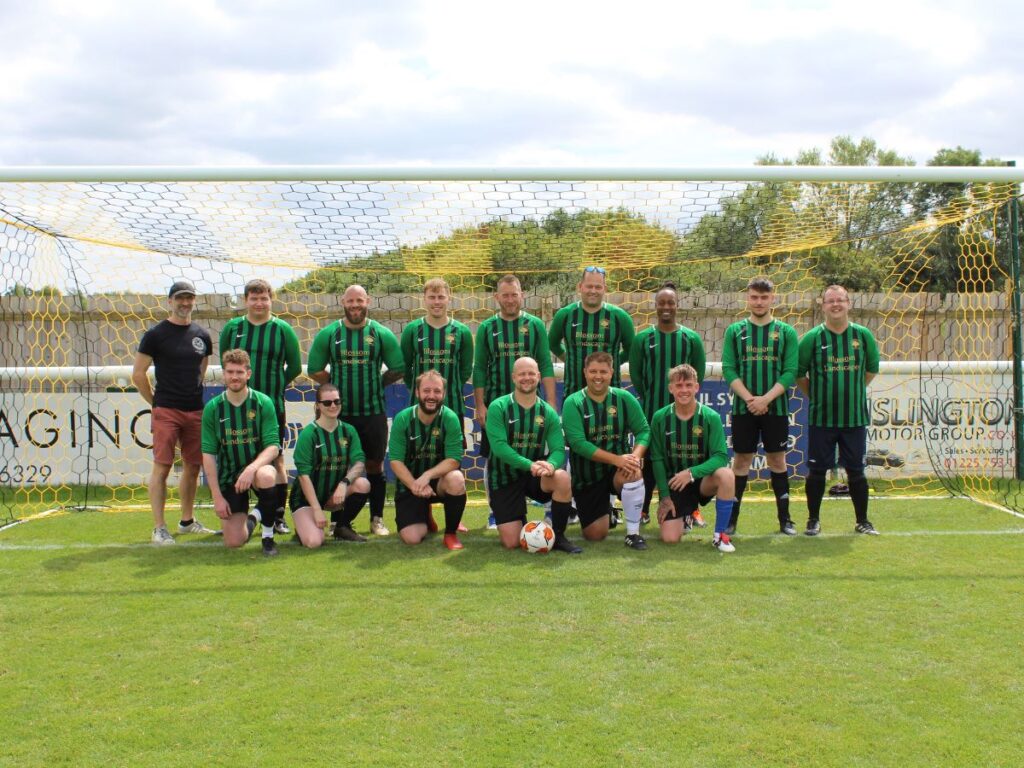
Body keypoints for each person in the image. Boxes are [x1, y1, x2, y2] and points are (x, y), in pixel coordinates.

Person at [307, 284, 405, 537]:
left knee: (374, 466)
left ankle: (377, 519)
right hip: (340, 415)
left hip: (372, 413)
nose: (355, 305)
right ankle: (337, 522)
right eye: (350, 301)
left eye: (359, 300)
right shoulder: (329, 334)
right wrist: (336, 388)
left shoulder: (380, 333)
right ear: (342, 302)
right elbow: (315, 369)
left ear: (368, 301)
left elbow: (398, 367)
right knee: (339, 466)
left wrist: (376, 382)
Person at [132, 278, 216, 545]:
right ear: (170, 301)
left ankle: (187, 521)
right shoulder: (156, 335)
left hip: (195, 410)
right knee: (163, 467)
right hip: (166, 409)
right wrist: (155, 403)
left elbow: (201, 371)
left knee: (193, 466)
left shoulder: (202, 336)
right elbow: (138, 374)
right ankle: (159, 528)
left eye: (189, 297)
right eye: (180, 298)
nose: (185, 302)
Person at [219, 278, 301, 535]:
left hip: (272, 407)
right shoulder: (233, 329)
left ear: (271, 300)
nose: (259, 302)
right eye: (254, 298)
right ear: (246, 301)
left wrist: (273, 389)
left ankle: (277, 517)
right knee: (233, 457)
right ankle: (236, 513)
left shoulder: (282, 329)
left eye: (264, 298)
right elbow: (226, 362)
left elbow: (295, 367)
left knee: (276, 460)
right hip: (237, 409)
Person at [473, 274, 556, 529]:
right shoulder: (487, 327)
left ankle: (551, 509)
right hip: (497, 408)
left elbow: (545, 363)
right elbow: (480, 369)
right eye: (505, 295)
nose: (510, 299)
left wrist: (551, 401)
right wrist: (480, 405)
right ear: (497, 297)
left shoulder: (535, 325)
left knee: (542, 453)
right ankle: (494, 512)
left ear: (522, 295)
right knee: (493, 457)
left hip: (533, 407)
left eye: (514, 294)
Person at [797, 284, 881, 536]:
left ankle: (862, 521)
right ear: (823, 306)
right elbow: (800, 374)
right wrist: (819, 396)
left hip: (854, 418)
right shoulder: (812, 338)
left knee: (856, 471)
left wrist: (851, 391)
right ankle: (813, 520)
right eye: (830, 301)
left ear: (848, 303)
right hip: (822, 418)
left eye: (840, 300)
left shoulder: (862, 335)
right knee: (817, 472)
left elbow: (871, 370)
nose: (835, 305)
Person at [721, 277, 799, 536]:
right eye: (754, 297)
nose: (759, 302)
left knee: (777, 460)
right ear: (747, 298)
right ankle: (731, 520)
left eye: (764, 297)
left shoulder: (786, 332)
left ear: (772, 299)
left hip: (774, 408)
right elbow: (729, 369)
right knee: (741, 461)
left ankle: (785, 520)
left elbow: (790, 372)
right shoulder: (735, 331)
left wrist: (766, 399)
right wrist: (750, 399)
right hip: (744, 409)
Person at [628, 281, 706, 526]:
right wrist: (653, 397)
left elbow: (698, 374)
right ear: (655, 306)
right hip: (652, 412)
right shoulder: (642, 339)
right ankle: (643, 510)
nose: (666, 307)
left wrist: (682, 397)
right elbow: (637, 375)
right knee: (650, 460)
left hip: (684, 413)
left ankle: (691, 510)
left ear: (677, 305)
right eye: (661, 303)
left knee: (684, 458)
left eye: (670, 303)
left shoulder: (690, 338)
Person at [399, 277, 473, 534]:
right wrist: (423, 393)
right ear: (424, 299)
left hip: (452, 406)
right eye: (432, 297)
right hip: (420, 410)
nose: (437, 302)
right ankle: (424, 512)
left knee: (452, 461)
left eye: (441, 297)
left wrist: (445, 393)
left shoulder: (461, 332)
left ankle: (456, 516)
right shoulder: (412, 331)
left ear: (449, 298)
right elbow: (407, 369)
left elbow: (464, 370)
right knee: (419, 458)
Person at [484, 357, 578, 553]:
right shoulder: (498, 407)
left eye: (531, 374)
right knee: (512, 542)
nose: (526, 378)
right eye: (522, 374)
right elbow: (499, 447)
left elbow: (558, 450)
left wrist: (551, 465)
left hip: (534, 476)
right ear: (513, 377)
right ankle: (519, 519)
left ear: (538, 376)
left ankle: (559, 536)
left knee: (561, 477)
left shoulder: (547, 412)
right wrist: (530, 465)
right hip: (504, 478)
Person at [561, 352, 651, 550]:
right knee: (595, 535)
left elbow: (644, 430)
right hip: (587, 476)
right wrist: (616, 459)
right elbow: (578, 444)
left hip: (618, 470)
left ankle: (633, 534)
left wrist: (634, 457)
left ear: (611, 373)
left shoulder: (624, 398)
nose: (598, 376)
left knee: (633, 470)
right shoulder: (573, 402)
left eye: (603, 371)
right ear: (585, 372)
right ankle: (607, 512)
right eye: (593, 371)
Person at [200, 349, 282, 556]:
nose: (234, 376)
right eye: (230, 372)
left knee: (267, 474)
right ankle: (254, 517)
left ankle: (268, 537)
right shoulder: (213, 408)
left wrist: (251, 469)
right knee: (234, 541)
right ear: (224, 374)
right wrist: (217, 497)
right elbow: (208, 454)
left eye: (239, 372)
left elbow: (273, 447)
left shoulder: (263, 403)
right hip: (230, 476)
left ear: (248, 374)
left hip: (255, 470)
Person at [650, 364, 736, 552]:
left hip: (701, 480)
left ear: (697, 387)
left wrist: (690, 473)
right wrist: (664, 496)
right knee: (670, 538)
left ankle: (720, 536)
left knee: (727, 475)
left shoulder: (710, 417)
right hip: (676, 483)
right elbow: (656, 459)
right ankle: (687, 514)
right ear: (670, 388)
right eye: (679, 385)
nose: (684, 390)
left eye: (688, 385)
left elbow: (721, 457)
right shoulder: (660, 418)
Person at [389, 371, 468, 550]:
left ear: (444, 394)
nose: (431, 396)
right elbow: (395, 461)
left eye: (437, 391)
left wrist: (427, 475)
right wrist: (415, 485)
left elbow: (454, 459)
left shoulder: (450, 418)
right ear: (417, 392)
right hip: (410, 483)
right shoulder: (403, 419)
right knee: (412, 538)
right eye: (426, 391)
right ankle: (425, 513)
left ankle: (450, 534)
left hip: (438, 482)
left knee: (456, 479)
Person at [289, 383, 371, 548]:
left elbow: (359, 462)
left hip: (333, 494)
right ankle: (303, 526)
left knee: (363, 484)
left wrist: (344, 483)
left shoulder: (348, 431)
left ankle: (342, 526)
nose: (333, 405)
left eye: (336, 401)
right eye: (327, 402)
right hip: (306, 499)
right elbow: (304, 477)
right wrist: (317, 510)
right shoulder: (308, 434)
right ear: (318, 405)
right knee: (314, 542)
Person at [548, 266, 635, 401]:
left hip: (611, 397)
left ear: (605, 289)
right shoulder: (564, 315)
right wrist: (570, 359)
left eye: (598, 287)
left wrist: (612, 363)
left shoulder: (620, 317)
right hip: (573, 394)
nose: (593, 291)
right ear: (580, 287)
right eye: (589, 286)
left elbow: (631, 350)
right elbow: (552, 344)